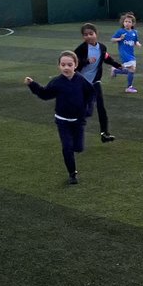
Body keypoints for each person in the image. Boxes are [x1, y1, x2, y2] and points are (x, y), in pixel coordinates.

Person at [26, 50, 96, 185]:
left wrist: (88, 109)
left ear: (75, 65)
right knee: (67, 147)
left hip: (78, 121)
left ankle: (76, 150)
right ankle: (72, 174)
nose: (66, 67)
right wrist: (32, 85)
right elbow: (45, 94)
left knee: (78, 147)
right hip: (62, 121)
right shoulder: (57, 82)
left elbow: (91, 93)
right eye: (63, 65)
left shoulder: (81, 80)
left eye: (69, 65)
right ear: (59, 66)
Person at [74, 22, 121, 143]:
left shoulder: (102, 47)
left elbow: (107, 58)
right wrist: (86, 61)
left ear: (96, 34)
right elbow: (73, 64)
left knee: (101, 107)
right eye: (85, 35)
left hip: (95, 81)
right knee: (82, 108)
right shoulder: (80, 49)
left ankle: (104, 133)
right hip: (82, 82)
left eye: (91, 33)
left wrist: (118, 66)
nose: (88, 36)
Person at [110, 12, 141, 93]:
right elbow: (112, 40)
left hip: (131, 53)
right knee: (132, 68)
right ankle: (129, 87)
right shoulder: (120, 31)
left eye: (129, 22)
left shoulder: (135, 32)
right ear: (123, 22)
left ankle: (115, 70)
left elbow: (136, 41)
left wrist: (137, 44)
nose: (127, 23)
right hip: (124, 53)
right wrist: (120, 39)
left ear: (133, 23)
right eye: (125, 21)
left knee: (131, 70)